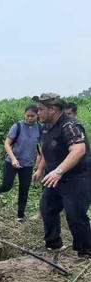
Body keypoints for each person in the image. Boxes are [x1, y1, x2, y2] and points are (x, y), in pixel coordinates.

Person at [32, 93, 91, 260]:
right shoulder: (46, 126)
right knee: (47, 207)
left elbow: (79, 150)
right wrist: (40, 168)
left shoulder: (70, 125)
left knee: (75, 214)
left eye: (41, 109)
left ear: (53, 109)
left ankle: (86, 251)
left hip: (77, 178)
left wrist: (58, 171)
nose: (38, 113)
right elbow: (46, 148)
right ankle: (54, 244)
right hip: (55, 176)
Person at [0, 105, 41, 222]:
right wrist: (13, 159)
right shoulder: (17, 126)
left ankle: (20, 216)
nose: (29, 118)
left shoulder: (39, 128)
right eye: (27, 116)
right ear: (24, 114)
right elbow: (7, 144)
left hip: (27, 164)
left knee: (24, 189)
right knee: (6, 186)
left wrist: (39, 162)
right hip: (11, 162)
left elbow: (40, 146)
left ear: (37, 115)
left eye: (32, 116)